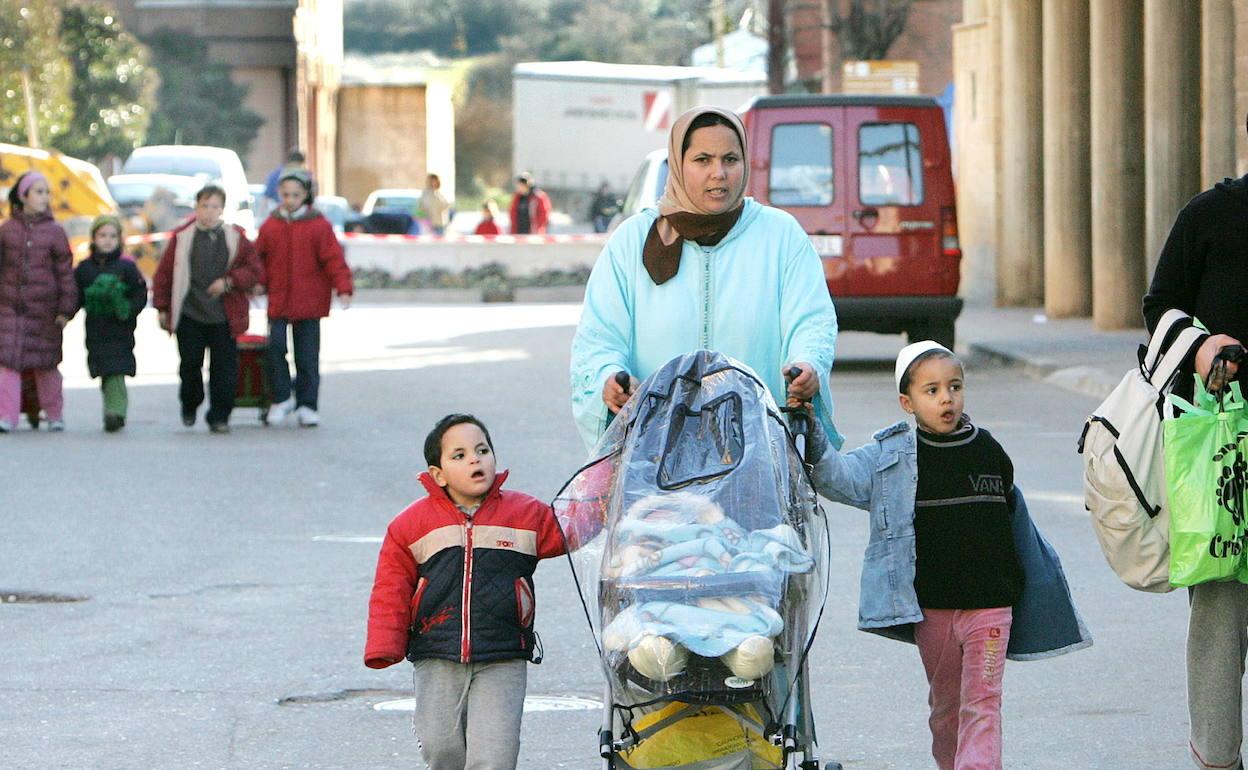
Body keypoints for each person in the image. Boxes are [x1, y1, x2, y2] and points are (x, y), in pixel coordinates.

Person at [810, 342, 1089, 770]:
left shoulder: (989, 450)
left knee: (983, 702)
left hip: (990, 609)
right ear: (907, 402)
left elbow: (1013, 523)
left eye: (954, 387)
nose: (946, 399)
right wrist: (809, 423)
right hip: (933, 611)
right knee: (947, 710)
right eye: (932, 390)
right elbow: (837, 478)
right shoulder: (891, 458)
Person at [569, 105, 840, 452]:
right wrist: (609, 377)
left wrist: (807, 363)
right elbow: (598, 335)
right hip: (655, 450)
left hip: (756, 447)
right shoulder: (632, 240)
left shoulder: (780, 235)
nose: (719, 173)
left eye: (730, 159)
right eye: (702, 160)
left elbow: (811, 318)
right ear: (678, 164)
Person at [364, 414, 566, 770]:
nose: (475, 459)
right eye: (459, 455)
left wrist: (612, 499)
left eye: (482, 450)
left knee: (495, 756)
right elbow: (390, 588)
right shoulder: (411, 525)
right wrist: (385, 644)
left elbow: (574, 528)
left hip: (503, 653)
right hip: (437, 654)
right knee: (441, 748)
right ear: (438, 474)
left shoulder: (525, 514)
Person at [1143, 115, 1248, 770]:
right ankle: (1217, 757)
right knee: (1218, 611)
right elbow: (1160, 307)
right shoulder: (1210, 215)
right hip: (1218, 450)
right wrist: (1203, 345)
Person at [152, 185, 263, 433]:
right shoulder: (182, 237)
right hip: (190, 313)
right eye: (205, 206)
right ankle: (190, 403)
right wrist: (162, 307)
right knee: (190, 365)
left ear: (222, 210)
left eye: (215, 207)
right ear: (196, 207)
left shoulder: (235, 238)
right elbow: (164, 275)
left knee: (224, 369)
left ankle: (219, 416)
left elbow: (254, 269)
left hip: (224, 316)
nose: (209, 212)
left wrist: (229, 282)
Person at [254, 168, 353, 428]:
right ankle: (281, 398)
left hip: (310, 302)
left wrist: (343, 287)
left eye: (295, 195)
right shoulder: (271, 225)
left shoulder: (319, 226)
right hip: (279, 300)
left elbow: (333, 259)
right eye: (285, 194)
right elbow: (258, 259)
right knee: (275, 349)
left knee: (307, 356)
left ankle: (307, 405)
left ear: (306, 195)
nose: (290, 200)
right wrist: (257, 283)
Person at [0, 171, 77, 433]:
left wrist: (66, 309)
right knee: (7, 364)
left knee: (46, 365)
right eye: (39, 192)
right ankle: (6, 417)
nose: (44, 197)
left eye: (47, 192)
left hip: (45, 311)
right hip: (9, 310)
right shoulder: (7, 230)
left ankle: (54, 413)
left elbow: (65, 273)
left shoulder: (55, 232)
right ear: (23, 196)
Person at [73, 215, 148, 432]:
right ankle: (111, 409)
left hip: (120, 328)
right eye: (102, 235)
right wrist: (64, 314)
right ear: (93, 238)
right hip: (96, 329)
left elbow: (139, 293)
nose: (107, 240)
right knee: (104, 369)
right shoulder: (85, 268)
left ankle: (116, 411)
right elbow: (75, 295)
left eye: (113, 236)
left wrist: (128, 310)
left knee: (117, 368)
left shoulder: (127, 267)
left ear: (120, 239)